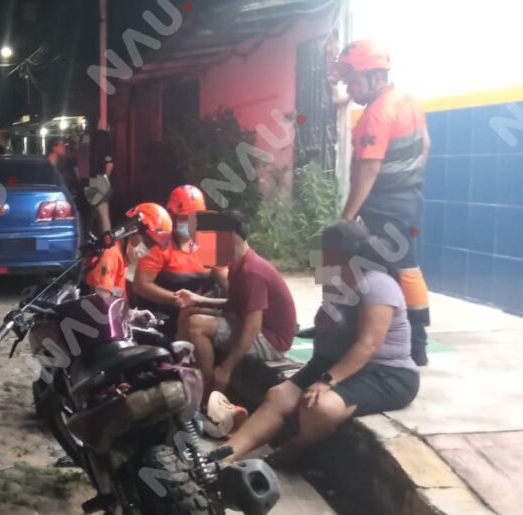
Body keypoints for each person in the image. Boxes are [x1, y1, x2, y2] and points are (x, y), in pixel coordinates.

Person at [224, 220, 420, 463]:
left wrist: (327, 380)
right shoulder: (334, 279)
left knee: (318, 408)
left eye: (324, 250)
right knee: (278, 396)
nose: (318, 256)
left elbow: (367, 345)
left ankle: (293, 451)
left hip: (386, 374)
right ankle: (221, 457)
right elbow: (325, 325)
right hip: (332, 361)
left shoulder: (377, 283)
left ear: (342, 253)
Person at [333, 39, 431, 366]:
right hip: (408, 198)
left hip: (385, 203)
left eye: (354, 80)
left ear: (375, 76)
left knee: (338, 252)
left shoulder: (376, 114)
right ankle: (414, 339)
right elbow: (425, 146)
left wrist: (347, 218)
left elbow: (369, 168)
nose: (350, 86)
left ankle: (334, 321)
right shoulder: (407, 101)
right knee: (405, 265)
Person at [175, 211, 296, 396]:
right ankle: (184, 370)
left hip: (272, 340)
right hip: (255, 325)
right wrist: (198, 299)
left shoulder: (251, 273)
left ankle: (207, 389)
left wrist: (226, 369)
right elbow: (237, 304)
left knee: (196, 325)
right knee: (190, 311)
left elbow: (252, 327)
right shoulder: (237, 264)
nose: (201, 248)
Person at [132, 184, 227, 330]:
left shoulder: (210, 237)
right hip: (161, 313)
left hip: (198, 309)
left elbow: (225, 279)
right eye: (185, 218)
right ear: (172, 215)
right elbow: (141, 285)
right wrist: (176, 300)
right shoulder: (159, 240)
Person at [85, 202, 171, 298]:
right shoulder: (109, 256)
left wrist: (130, 313)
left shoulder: (122, 259)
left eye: (151, 246)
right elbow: (97, 306)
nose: (146, 250)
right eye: (146, 243)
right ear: (132, 230)